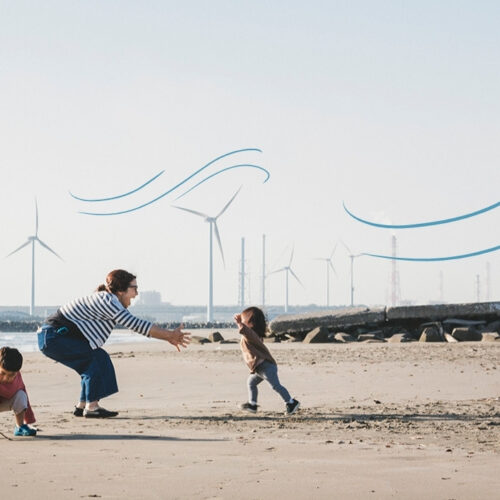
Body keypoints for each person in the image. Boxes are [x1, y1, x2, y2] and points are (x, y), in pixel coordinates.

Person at [37, 269, 190, 419]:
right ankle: (92, 407)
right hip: (53, 337)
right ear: (121, 290)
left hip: (51, 337)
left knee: (96, 357)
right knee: (93, 360)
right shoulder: (109, 302)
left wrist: (169, 336)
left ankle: (82, 405)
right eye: (134, 288)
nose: (137, 293)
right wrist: (169, 336)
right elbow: (136, 324)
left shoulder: (107, 300)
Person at [234, 306, 300, 416]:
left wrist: (239, 323)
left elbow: (244, 330)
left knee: (275, 386)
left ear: (251, 323)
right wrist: (242, 321)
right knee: (251, 382)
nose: (242, 321)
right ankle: (252, 404)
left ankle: (291, 402)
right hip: (259, 368)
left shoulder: (251, 335)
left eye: (244, 319)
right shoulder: (254, 335)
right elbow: (245, 331)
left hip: (266, 366)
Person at [0, 346, 37, 436]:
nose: (6, 378)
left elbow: (24, 394)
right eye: (3, 373)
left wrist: (29, 419)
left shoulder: (17, 378)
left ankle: (20, 427)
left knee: (21, 395)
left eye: (11, 374)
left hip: (5, 401)